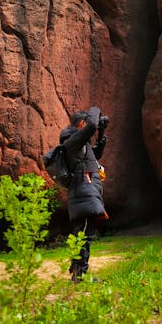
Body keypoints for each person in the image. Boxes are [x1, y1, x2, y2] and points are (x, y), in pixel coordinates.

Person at [59, 106, 108, 282]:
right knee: (84, 233)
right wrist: (96, 109)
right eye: (86, 123)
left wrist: (101, 133)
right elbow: (92, 124)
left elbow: (95, 157)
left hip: (86, 192)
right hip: (83, 193)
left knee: (83, 232)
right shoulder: (72, 140)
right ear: (82, 124)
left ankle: (77, 271)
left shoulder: (79, 144)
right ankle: (80, 274)